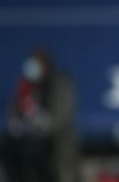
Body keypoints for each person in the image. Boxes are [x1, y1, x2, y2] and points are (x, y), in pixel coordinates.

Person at [2, 49, 79, 182]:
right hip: (27, 137)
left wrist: (43, 123)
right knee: (8, 144)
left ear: (46, 66)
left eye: (36, 64)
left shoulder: (60, 85)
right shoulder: (26, 86)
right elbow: (14, 112)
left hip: (53, 139)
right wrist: (17, 124)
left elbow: (62, 119)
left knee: (39, 151)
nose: (32, 69)